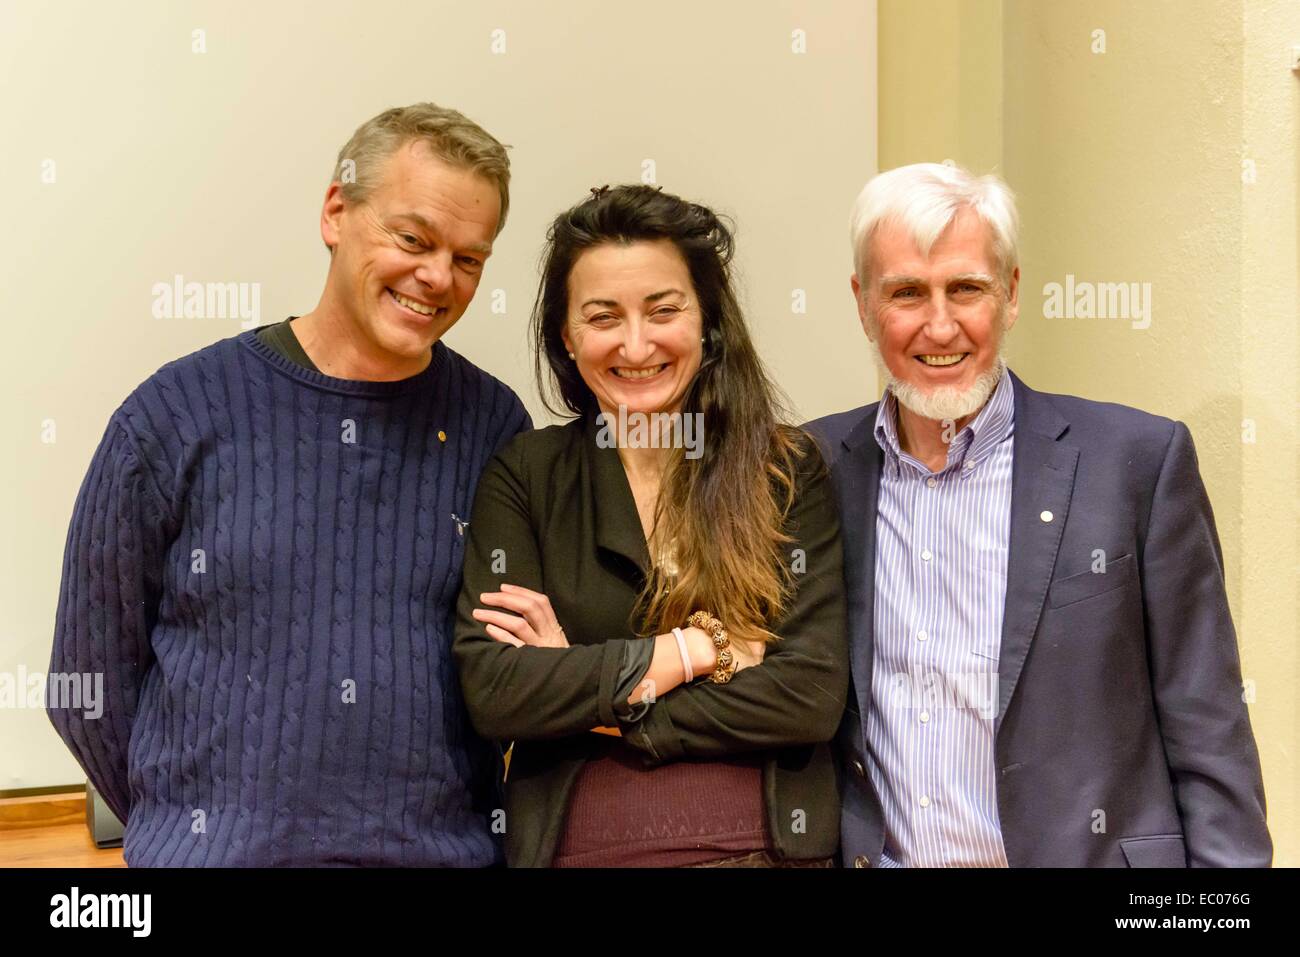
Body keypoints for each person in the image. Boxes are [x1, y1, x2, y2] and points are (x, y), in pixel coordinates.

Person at [47, 102, 530, 866]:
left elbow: (509, 672)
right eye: (413, 238)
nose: (437, 276)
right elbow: (85, 681)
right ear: (336, 211)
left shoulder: (494, 427)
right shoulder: (173, 416)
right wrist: (189, 826)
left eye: (469, 259)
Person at [807, 162, 1271, 867]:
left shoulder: (1137, 462)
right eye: (906, 292)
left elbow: (1207, 723)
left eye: (966, 288)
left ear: (1012, 292)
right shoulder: (808, 469)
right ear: (862, 303)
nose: (940, 324)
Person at [452, 185, 848, 867]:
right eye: (603, 316)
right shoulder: (527, 473)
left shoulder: (784, 469)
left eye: (663, 310)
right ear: (567, 337)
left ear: (707, 324)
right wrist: (697, 651)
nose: (636, 344)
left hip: (764, 853)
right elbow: (498, 690)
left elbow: (806, 696)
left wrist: (596, 701)